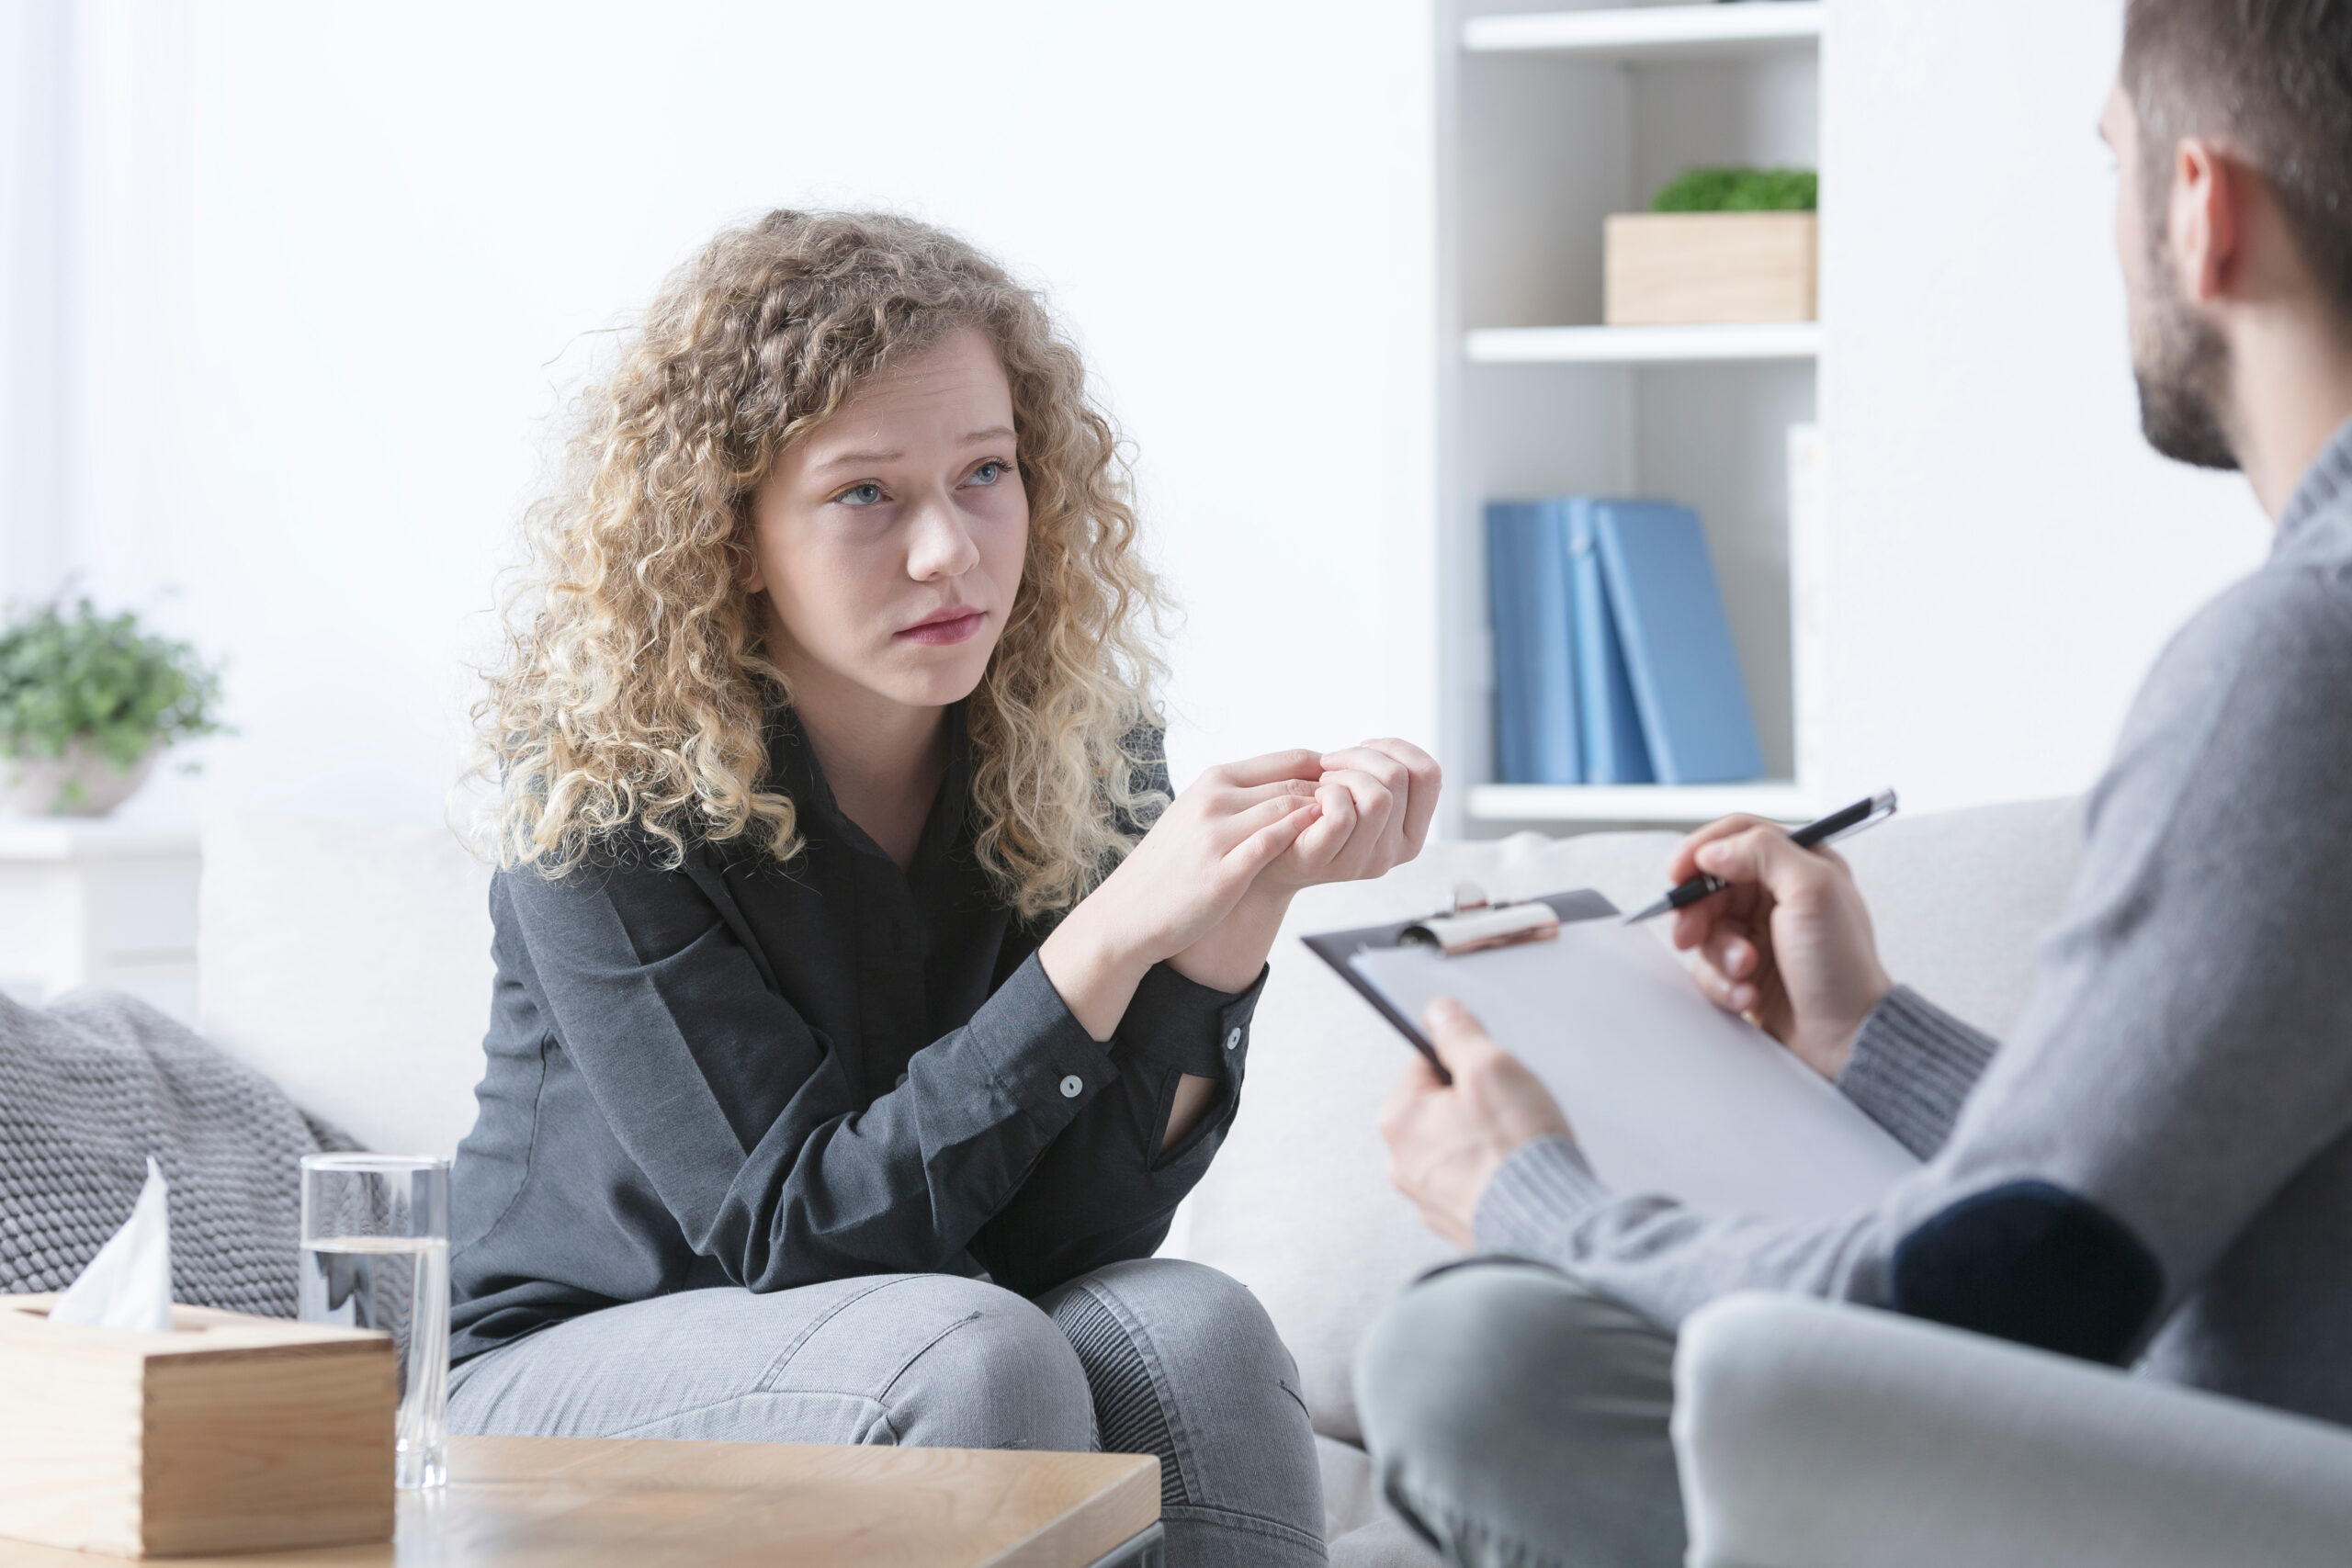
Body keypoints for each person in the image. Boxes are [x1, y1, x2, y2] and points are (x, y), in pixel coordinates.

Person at [1356, 4, 2352, 1565]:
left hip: (2259, 1508)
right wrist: (1867, 1037)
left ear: (2202, 210)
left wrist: (1530, 1197)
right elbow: (2113, 1207)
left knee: (1475, 1354)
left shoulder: (2301, 661)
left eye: (2112, 167)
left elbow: (2001, 1288)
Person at [443, 209, 1441, 1568]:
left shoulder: (1076, 753)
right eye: (867, 495)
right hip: (567, 1366)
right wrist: (1104, 943)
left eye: (986, 473)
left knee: (1188, 1327)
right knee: (971, 1352)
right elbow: (793, 1234)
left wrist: (1230, 922)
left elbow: (1068, 1235)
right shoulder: (604, 811)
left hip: (926, 1320)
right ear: (730, 535)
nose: (949, 551)